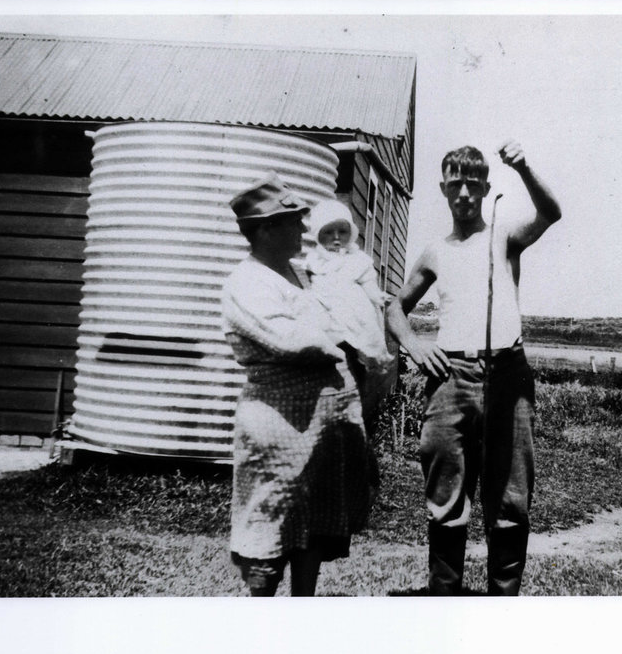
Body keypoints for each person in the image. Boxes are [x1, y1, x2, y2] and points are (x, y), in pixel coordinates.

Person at [385, 141, 561, 595]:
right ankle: (445, 601)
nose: (464, 192)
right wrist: (413, 345)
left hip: (508, 376)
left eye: (473, 183)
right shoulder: (434, 251)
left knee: (510, 501)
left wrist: (523, 167)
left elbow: (551, 214)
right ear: (443, 188)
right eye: (455, 183)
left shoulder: (503, 236)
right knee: (444, 499)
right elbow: (394, 309)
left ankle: (502, 603)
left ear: (485, 188)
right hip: (450, 381)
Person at [221, 172, 374, 596]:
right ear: (267, 228)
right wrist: (338, 340)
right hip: (279, 423)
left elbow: (338, 318)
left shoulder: (298, 274)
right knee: (271, 520)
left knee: (312, 523)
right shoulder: (246, 282)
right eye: (295, 221)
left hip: (319, 425)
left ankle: (303, 609)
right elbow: (292, 339)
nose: (305, 230)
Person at [290, 198, 395, 427]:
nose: (336, 238)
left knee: (355, 362)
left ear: (351, 233)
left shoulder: (358, 260)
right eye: (328, 232)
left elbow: (368, 283)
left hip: (354, 315)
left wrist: (377, 295)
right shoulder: (313, 260)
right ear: (318, 235)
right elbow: (305, 284)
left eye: (342, 231)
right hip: (327, 316)